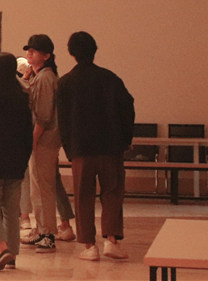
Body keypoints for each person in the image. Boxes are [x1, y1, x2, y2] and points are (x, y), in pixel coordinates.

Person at [57, 31, 135, 261]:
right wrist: (125, 140)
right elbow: (128, 107)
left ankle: (89, 246)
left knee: (83, 196)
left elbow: (63, 120)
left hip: (81, 149)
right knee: (112, 193)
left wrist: (69, 148)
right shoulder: (110, 78)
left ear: (72, 53)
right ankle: (111, 240)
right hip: (111, 147)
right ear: (94, 50)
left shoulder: (66, 82)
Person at [0, 53, 32, 271]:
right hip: (16, 161)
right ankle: (13, 255)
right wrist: (24, 159)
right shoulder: (22, 95)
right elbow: (27, 132)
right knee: (12, 211)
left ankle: (3, 249)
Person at [18, 34, 66, 253]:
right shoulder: (40, 76)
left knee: (43, 187)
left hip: (44, 140)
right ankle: (40, 229)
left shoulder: (46, 78)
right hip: (43, 140)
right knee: (37, 187)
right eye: (28, 50)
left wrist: (33, 141)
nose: (29, 53)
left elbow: (43, 116)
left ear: (46, 55)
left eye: (34, 51)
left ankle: (47, 234)